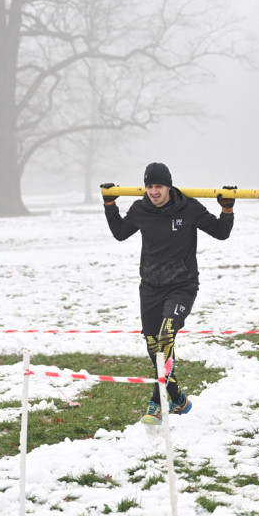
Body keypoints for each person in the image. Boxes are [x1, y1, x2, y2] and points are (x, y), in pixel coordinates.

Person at [101, 162, 235, 424]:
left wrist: (227, 209)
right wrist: (109, 205)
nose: (154, 191)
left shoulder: (189, 208)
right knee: (154, 347)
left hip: (182, 286)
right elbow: (120, 233)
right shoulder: (140, 209)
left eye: (159, 186)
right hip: (150, 287)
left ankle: (157, 403)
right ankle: (178, 399)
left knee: (165, 336)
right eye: (149, 186)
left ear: (169, 186)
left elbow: (221, 233)